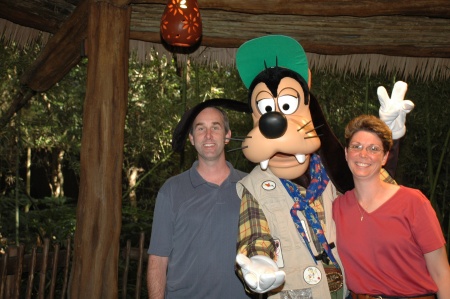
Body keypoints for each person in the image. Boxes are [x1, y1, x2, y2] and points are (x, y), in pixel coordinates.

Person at [333, 114, 450, 299]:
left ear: (385, 157)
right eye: (356, 147)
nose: (363, 154)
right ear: (347, 153)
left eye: (373, 149)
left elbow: (441, 272)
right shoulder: (337, 207)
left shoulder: (413, 202)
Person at [146, 103, 254, 299]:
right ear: (191, 138)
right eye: (200, 128)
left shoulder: (251, 187)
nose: (208, 135)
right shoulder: (171, 190)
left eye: (215, 127)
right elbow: (158, 259)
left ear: (227, 135)